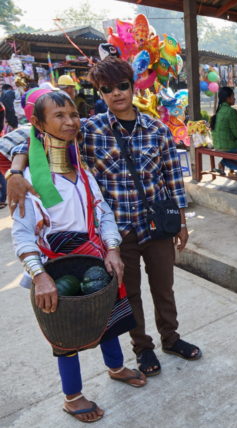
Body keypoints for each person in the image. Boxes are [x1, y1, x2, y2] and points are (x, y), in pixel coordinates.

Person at [8, 57, 201, 378]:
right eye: (106, 89)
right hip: (118, 233)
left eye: (122, 86)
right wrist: (16, 170)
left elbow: (172, 178)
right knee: (131, 293)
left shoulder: (157, 129)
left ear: (133, 85)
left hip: (157, 226)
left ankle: (171, 338)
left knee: (164, 288)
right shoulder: (88, 129)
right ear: (100, 92)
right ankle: (143, 348)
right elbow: (29, 133)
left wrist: (181, 221)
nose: (116, 94)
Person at [11, 88, 146, 423]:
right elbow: (23, 234)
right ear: (38, 123)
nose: (71, 121)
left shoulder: (82, 171)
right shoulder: (28, 180)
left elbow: (102, 213)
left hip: (94, 257)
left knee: (108, 320)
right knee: (65, 335)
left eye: (73, 114)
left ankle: (115, 367)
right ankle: (72, 397)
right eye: (59, 115)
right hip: (55, 268)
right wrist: (40, 276)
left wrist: (112, 248)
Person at [210, 86, 237, 177]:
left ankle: (225, 162)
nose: (235, 98)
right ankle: (227, 163)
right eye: (233, 96)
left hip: (217, 145)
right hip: (228, 146)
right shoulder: (231, 111)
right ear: (228, 98)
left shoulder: (219, 111)